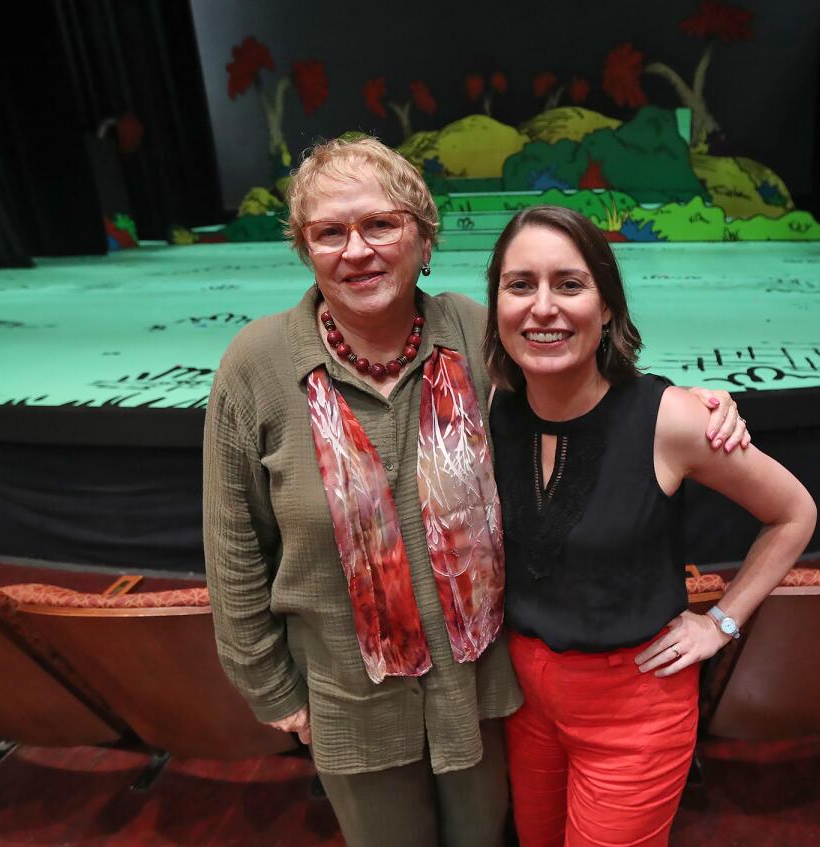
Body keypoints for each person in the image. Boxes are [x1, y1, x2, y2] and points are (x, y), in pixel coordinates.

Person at [202, 137, 747, 847]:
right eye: (329, 232)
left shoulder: (477, 333)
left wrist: (694, 401)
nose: (356, 249)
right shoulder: (257, 365)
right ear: (305, 249)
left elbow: (587, 381)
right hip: (351, 701)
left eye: (380, 224)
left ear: (423, 239)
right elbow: (233, 542)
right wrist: (273, 691)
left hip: (484, 698)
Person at [485, 206, 817, 847]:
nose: (543, 307)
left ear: (606, 306)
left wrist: (720, 622)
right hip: (524, 698)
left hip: (634, 709)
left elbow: (794, 514)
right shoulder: (495, 407)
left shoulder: (672, 419)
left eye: (570, 284)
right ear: (496, 303)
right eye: (520, 284)